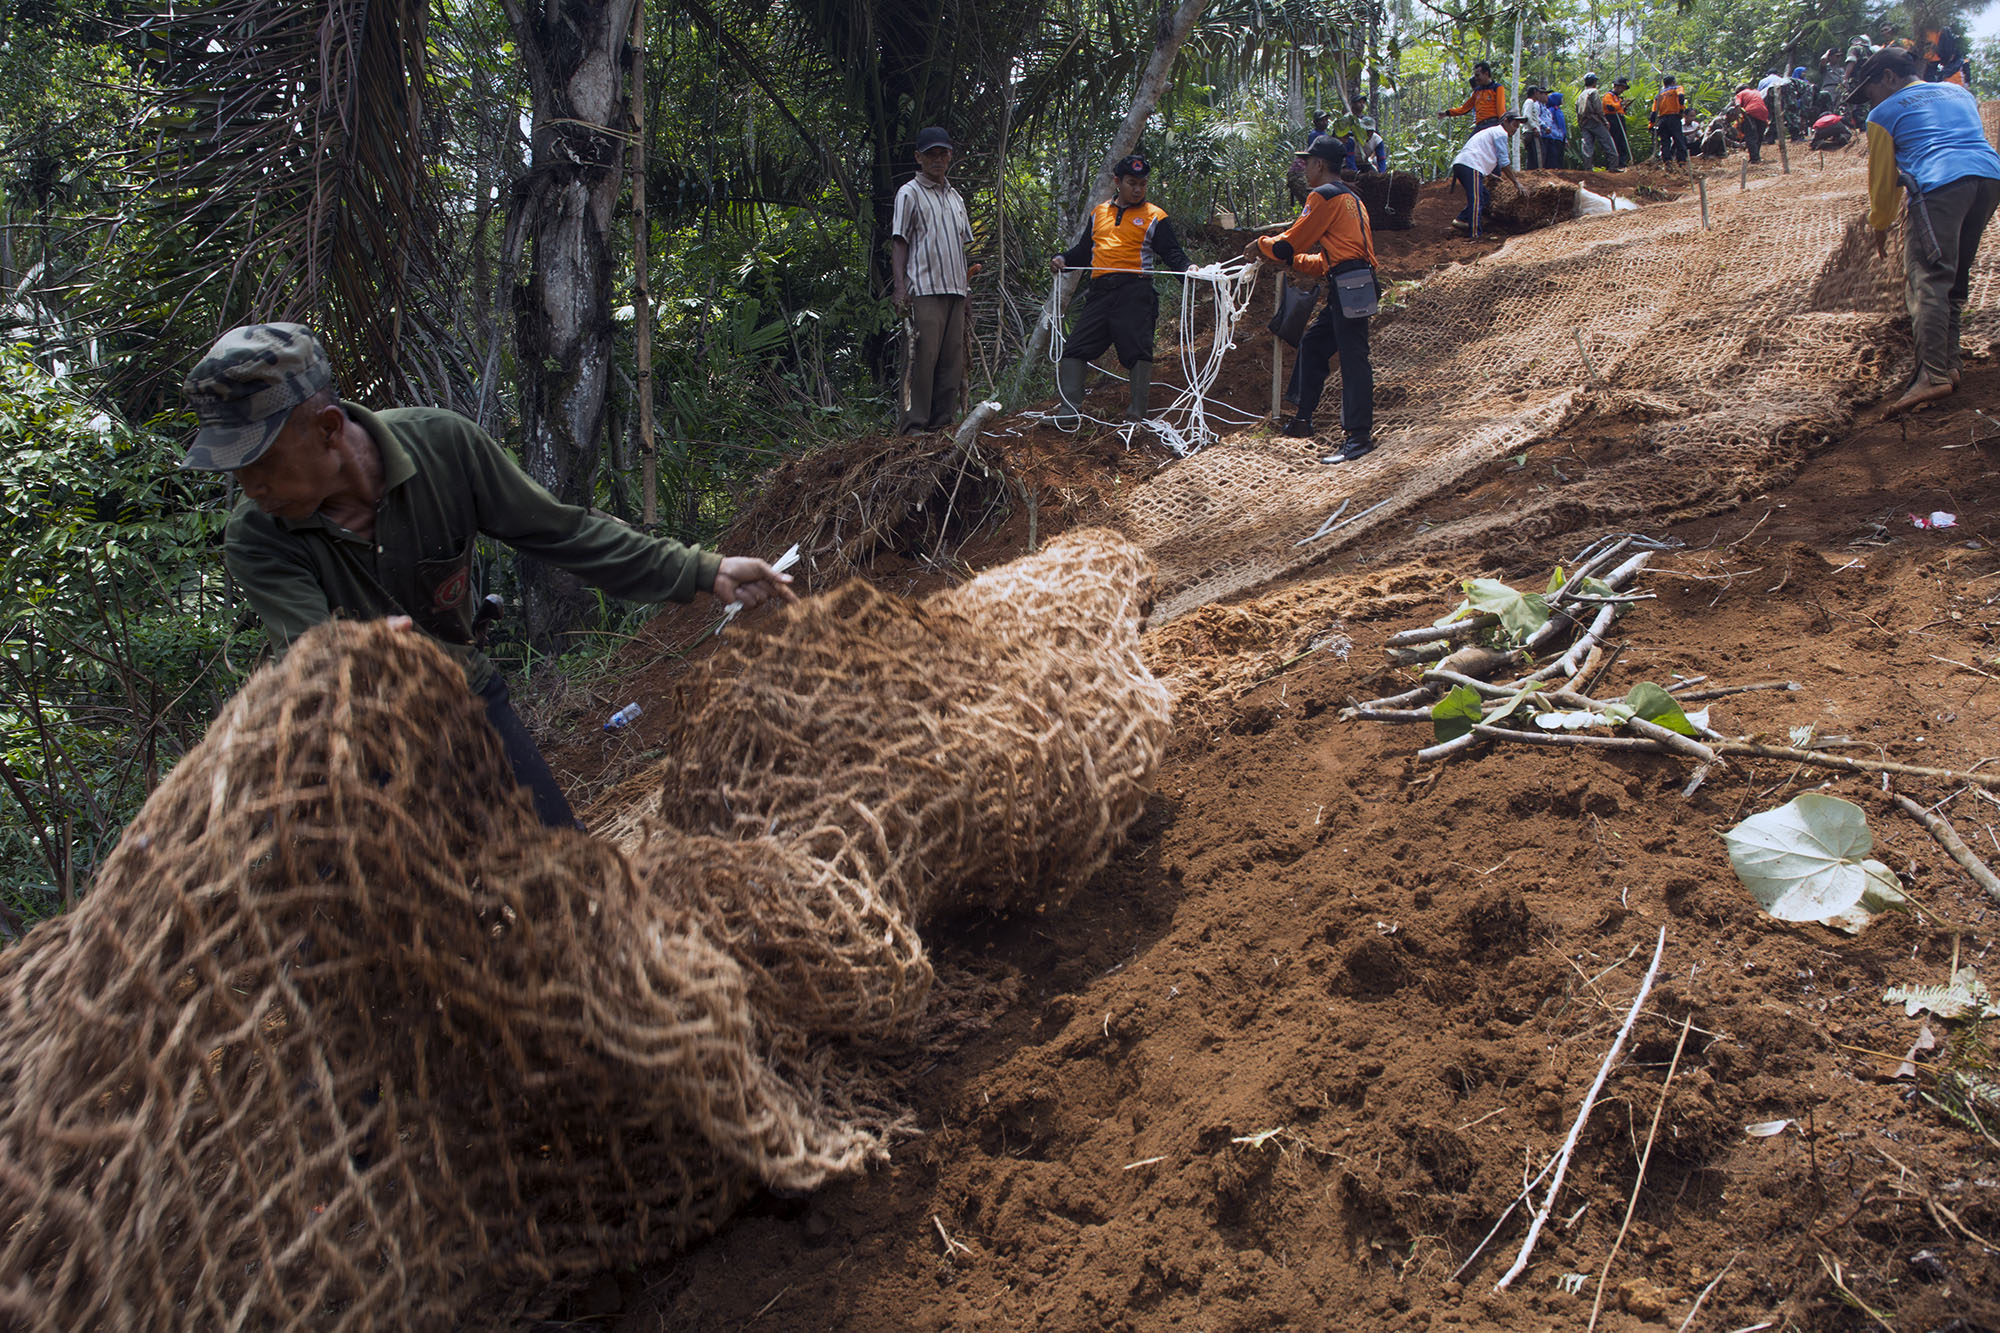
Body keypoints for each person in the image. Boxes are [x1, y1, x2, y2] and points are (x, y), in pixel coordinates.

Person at [182, 324, 798, 829]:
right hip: (362, 745)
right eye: (237, 470)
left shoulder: (443, 447)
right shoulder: (259, 535)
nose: (251, 487)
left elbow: (564, 532)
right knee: (377, 941)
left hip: (468, 701)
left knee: (569, 882)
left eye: (259, 460)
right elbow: (308, 659)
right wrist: (357, 655)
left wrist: (703, 569)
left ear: (326, 429)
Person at [1852, 45, 2000, 414]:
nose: (1869, 97)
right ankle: (1950, 363)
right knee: (1954, 275)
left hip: (1939, 185)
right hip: (1988, 177)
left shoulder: (1883, 112)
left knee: (1927, 279)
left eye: (1869, 88)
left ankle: (1932, 375)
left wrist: (1880, 225)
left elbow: (1883, 179)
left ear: (1887, 77)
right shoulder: (1959, 92)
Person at [1244, 136, 1380, 462]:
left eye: (1307, 163)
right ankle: (1302, 419)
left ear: (1320, 164)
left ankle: (1359, 437)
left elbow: (1287, 244)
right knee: (1315, 344)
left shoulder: (1322, 196)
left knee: (1353, 358)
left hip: (1350, 284)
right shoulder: (1352, 200)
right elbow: (1327, 260)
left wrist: (1261, 246)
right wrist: (1289, 260)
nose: (1304, 169)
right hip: (1352, 282)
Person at [1049, 154, 1190, 427]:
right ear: (1118, 182)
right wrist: (1063, 258)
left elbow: (1172, 253)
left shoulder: (1155, 216)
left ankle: (1136, 417)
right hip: (1100, 293)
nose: (1137, 189)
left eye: (1142, 184)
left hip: (1134, 292)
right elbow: (1083, 252)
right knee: (1075, 348)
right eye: (1132, 183)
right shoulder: (1099, 213)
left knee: (1138, 351)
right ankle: (1069, 412)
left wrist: (1190, 271)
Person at [890, 126, 977, 435]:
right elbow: (899, 241)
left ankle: (942, 427)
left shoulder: (956, 198)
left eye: (943, 154)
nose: (938, 160)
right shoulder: (909, 193)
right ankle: (914, 428)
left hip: (954, 290)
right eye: (931, 155)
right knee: (921, 360)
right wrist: (900, 288)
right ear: (919, 157)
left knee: (952, 363)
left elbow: (960, 247)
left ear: (950, 156)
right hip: (924, 290)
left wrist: (966, 292)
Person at [1450, 110, 1528, 234]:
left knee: (1484, 196)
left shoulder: (1492, 132)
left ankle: (1461, 219)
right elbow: (1503, 162)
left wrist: (1488, 174)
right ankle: (1475, 233)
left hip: (1464, 164)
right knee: (1477, 199)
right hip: (1471, 165)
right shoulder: (1500, 133)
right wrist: (1516, 182)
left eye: (1518, 127)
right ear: (1506, 121)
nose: (1515, 129)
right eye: (1514, 125)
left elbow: (1481, 150)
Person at [1439, 61, 1509, 130]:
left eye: (1478, 75)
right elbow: (1464, 109)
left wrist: (1503, 125)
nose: (1476, 78)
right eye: (1475, 75)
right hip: (1479, 126)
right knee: (1471, 141)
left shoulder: (1497, 88)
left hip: (1492, 124)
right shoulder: (1477, 91)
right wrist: (1447, 113)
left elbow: (1501, 109)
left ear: (1486, 74)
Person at [1574, 75, 1620, 171]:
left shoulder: (1581, 94)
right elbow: (1598, 108)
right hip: (1595, 121)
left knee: (1587, 145)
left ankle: (1588, 168)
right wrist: (1604, 121)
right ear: (1594, 82)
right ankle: (1613, 166)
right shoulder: (1594, 92)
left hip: (1584, 122)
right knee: (1607, 142)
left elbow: (1577, 109)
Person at [1651, 75, 1690, 164]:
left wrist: (1651, 125)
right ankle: (1681, 161)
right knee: (1678, 139)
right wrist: (1681, 110)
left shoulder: (1659, 94)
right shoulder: (1677, 88)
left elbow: (1654, 112)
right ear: (1673, 82)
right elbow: (1681, 96)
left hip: (1662, 119)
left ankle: (1667, 161)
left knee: (1665, 141)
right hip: (1674, 117)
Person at [1733, 83, 1770, 162]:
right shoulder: (1756, 92)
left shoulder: (1740, 94)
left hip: (1751, 112)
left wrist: (1738, 122)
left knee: (1750, 136)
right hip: (1763, 112)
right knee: (1759, 136)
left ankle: (1754, 158)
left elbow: (1737, 105)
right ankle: (1756, 156)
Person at [1605, 78, 1634, 168]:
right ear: (1617, 87)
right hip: (1612, 120)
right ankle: (1613, 164)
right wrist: (1621, 104)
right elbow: (1610, 108)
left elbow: (1619, 110)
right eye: (1622, 88)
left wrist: (1624, 107)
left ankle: (1622, 163)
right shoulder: (1608, 96)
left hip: (1619, 119)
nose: (1622, 91)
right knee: (1615, 141)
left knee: (1622, 141)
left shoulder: (1617, 97)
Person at [1517, 87, 1546, 170]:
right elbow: (1527, 116)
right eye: (1538, 93)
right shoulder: (1529, 102)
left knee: (1532, 154)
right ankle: (1538, 171)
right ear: (1534, 92)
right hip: (1532, 132)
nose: (1539, 95)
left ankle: (1531, 172)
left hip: (1531, 131)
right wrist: (1534, 128)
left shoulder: (1531, 102)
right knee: (1538, 153)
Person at [1757, 69, 1789, 142]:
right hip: (1780, 99)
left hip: (1768, 100)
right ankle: (1776, 135)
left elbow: (1759, 93)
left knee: (1770, 118)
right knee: (1779, 117)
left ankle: (1770, 137)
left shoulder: (1763, 81)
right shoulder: (1781, 79)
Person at [1541, 90, 1568, 170]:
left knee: (1560, 155)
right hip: (1553, 136)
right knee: (1553, 156)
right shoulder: (1551, 110)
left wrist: (1565, 138)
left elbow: (1562, 125)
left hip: (1560, 136)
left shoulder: (1558, 110)